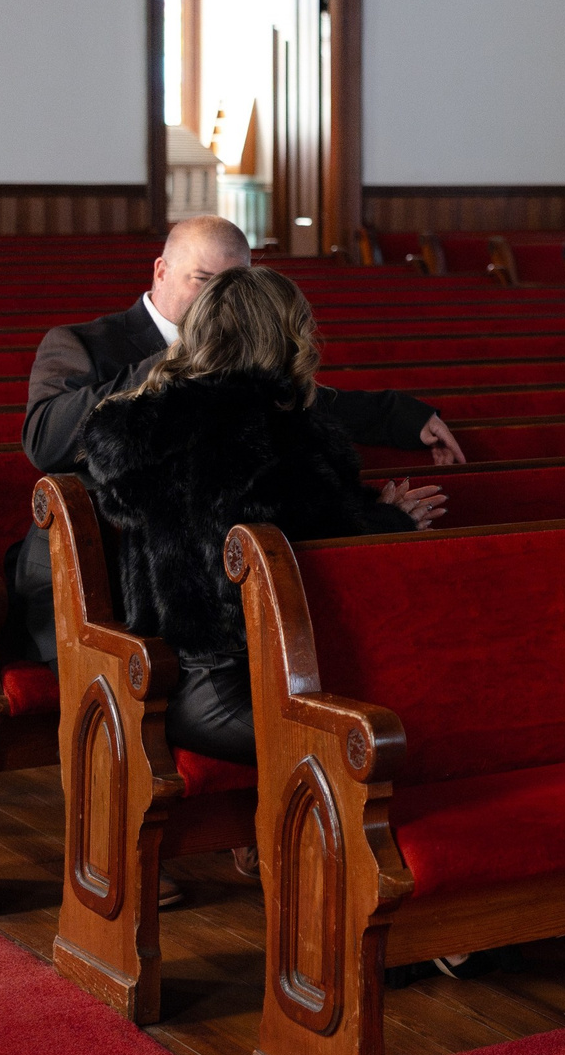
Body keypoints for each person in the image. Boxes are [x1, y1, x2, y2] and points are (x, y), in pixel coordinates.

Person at [7, 216, 463, 663]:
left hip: (192, 583)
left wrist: (399, 415)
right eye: (203, 282)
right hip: (81, 574)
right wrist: (183, 359)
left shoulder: (246, 361)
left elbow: (291, 399)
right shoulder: (81, 342)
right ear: (161, 272)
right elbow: (45, 441)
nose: (222, 302)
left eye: (235, 288)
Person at [78, 266, 445, 767]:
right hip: (226, 687)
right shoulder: (260, 436)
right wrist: (392, 522)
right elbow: (299, 552)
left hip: (197, 675)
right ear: (285, 337)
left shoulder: (151, 422)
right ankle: (291, 844)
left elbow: (286, 524)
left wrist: (371, 511)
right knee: (394, 741)